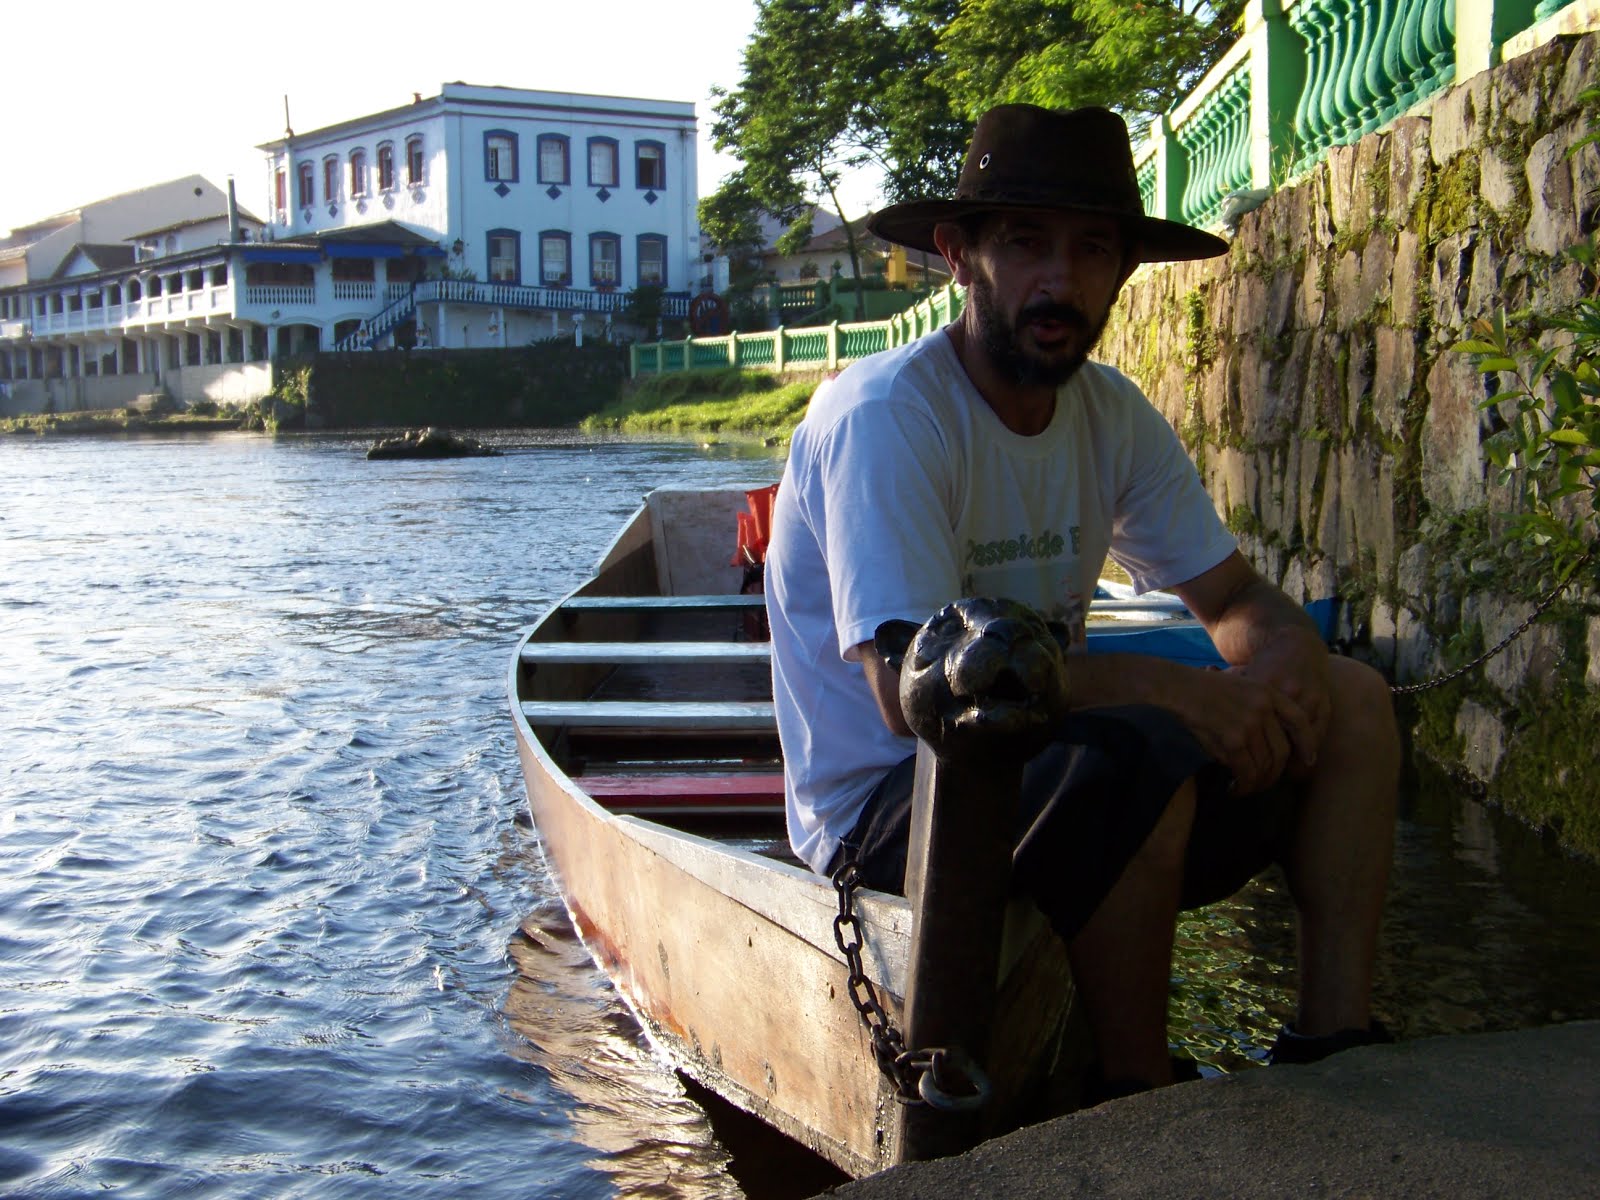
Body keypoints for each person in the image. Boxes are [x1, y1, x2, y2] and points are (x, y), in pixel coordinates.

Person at [763, 104, 1400, 1099]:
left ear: (1121, 271)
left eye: (1090, 249)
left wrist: (1279, 662)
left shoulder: (1111, 418)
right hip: (892, 808)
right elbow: (911, 697)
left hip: (1050, 775)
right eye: (1024, 243)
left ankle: (1334, 1044)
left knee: (1353, 698)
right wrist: (1179, 694)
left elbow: (1232, 597)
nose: (1058, 281)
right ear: (957, 255)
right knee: (1127, 752)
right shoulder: (888, 418)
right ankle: (1135, 1092)